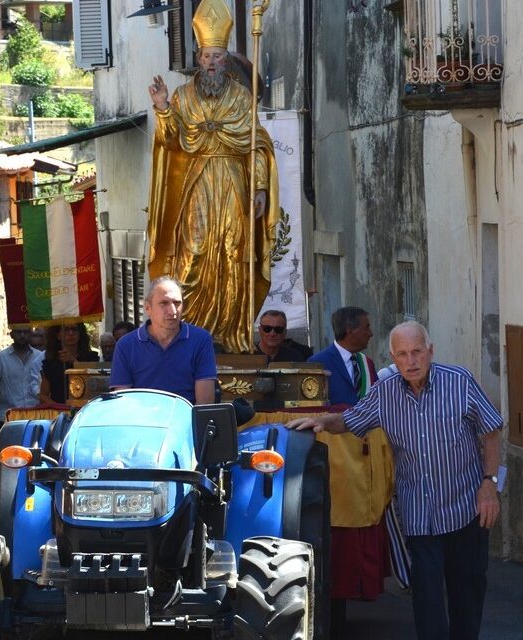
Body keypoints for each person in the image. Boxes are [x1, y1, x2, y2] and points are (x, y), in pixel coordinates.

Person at [291, 321, 502, 640]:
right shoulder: (385, 393)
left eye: (417, 351)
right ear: (393, 356)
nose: (411, 360)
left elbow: (491, 430)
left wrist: (490, 483)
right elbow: (349, 421)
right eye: (402, 354)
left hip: (465, 511)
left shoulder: (459, 382)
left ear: (431, 351)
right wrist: (319, 420)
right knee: (427, 602)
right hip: (420, 518)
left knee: (466, 598)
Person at [146, 0, 280, 354]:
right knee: (195, 252)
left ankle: (229, 335)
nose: (210, 63)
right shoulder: (183, 96)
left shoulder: (241, 97)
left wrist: (261, 189)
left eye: (217, 57)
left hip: (235, 182)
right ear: (199, 59)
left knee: (232, 252)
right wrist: (162, 108)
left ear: (226, 61)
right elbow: (172, 140)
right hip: (198, 182)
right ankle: (190, 333)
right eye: (206, 57)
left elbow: (256, 145)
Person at [308, 307, 393, 631]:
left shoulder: (366, 364)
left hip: (366, 468)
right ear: (349, 330)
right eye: (367, 328)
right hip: (337, 469)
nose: (371, 334)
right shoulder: (318, 363)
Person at [110, 276, 217, 405]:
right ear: (148, 308)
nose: (172, 311)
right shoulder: (126, 345)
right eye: (164, 303)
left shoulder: (200, 340)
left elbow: (204, 405)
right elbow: (123, 404)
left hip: (186, 421)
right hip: (142, 421)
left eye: (177, 303)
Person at [0, 328, 42, 430]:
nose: (22, 335)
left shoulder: (39, 357)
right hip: (8, 417)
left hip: (35, 416)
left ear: (31, 334)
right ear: (11, 334)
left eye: (26, 331)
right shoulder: (1, 358)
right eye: (18, 332)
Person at [39, 323, 98, 405]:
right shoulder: (50, 363)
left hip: (84, 409)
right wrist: (60, 409)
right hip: (59, 411)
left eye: (74, 329)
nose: (71, 333)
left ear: (79, 333)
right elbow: (43, 395)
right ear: (58, 335)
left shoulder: (91, 358)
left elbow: (94, 384)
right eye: (66, 330)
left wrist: (73, 361)